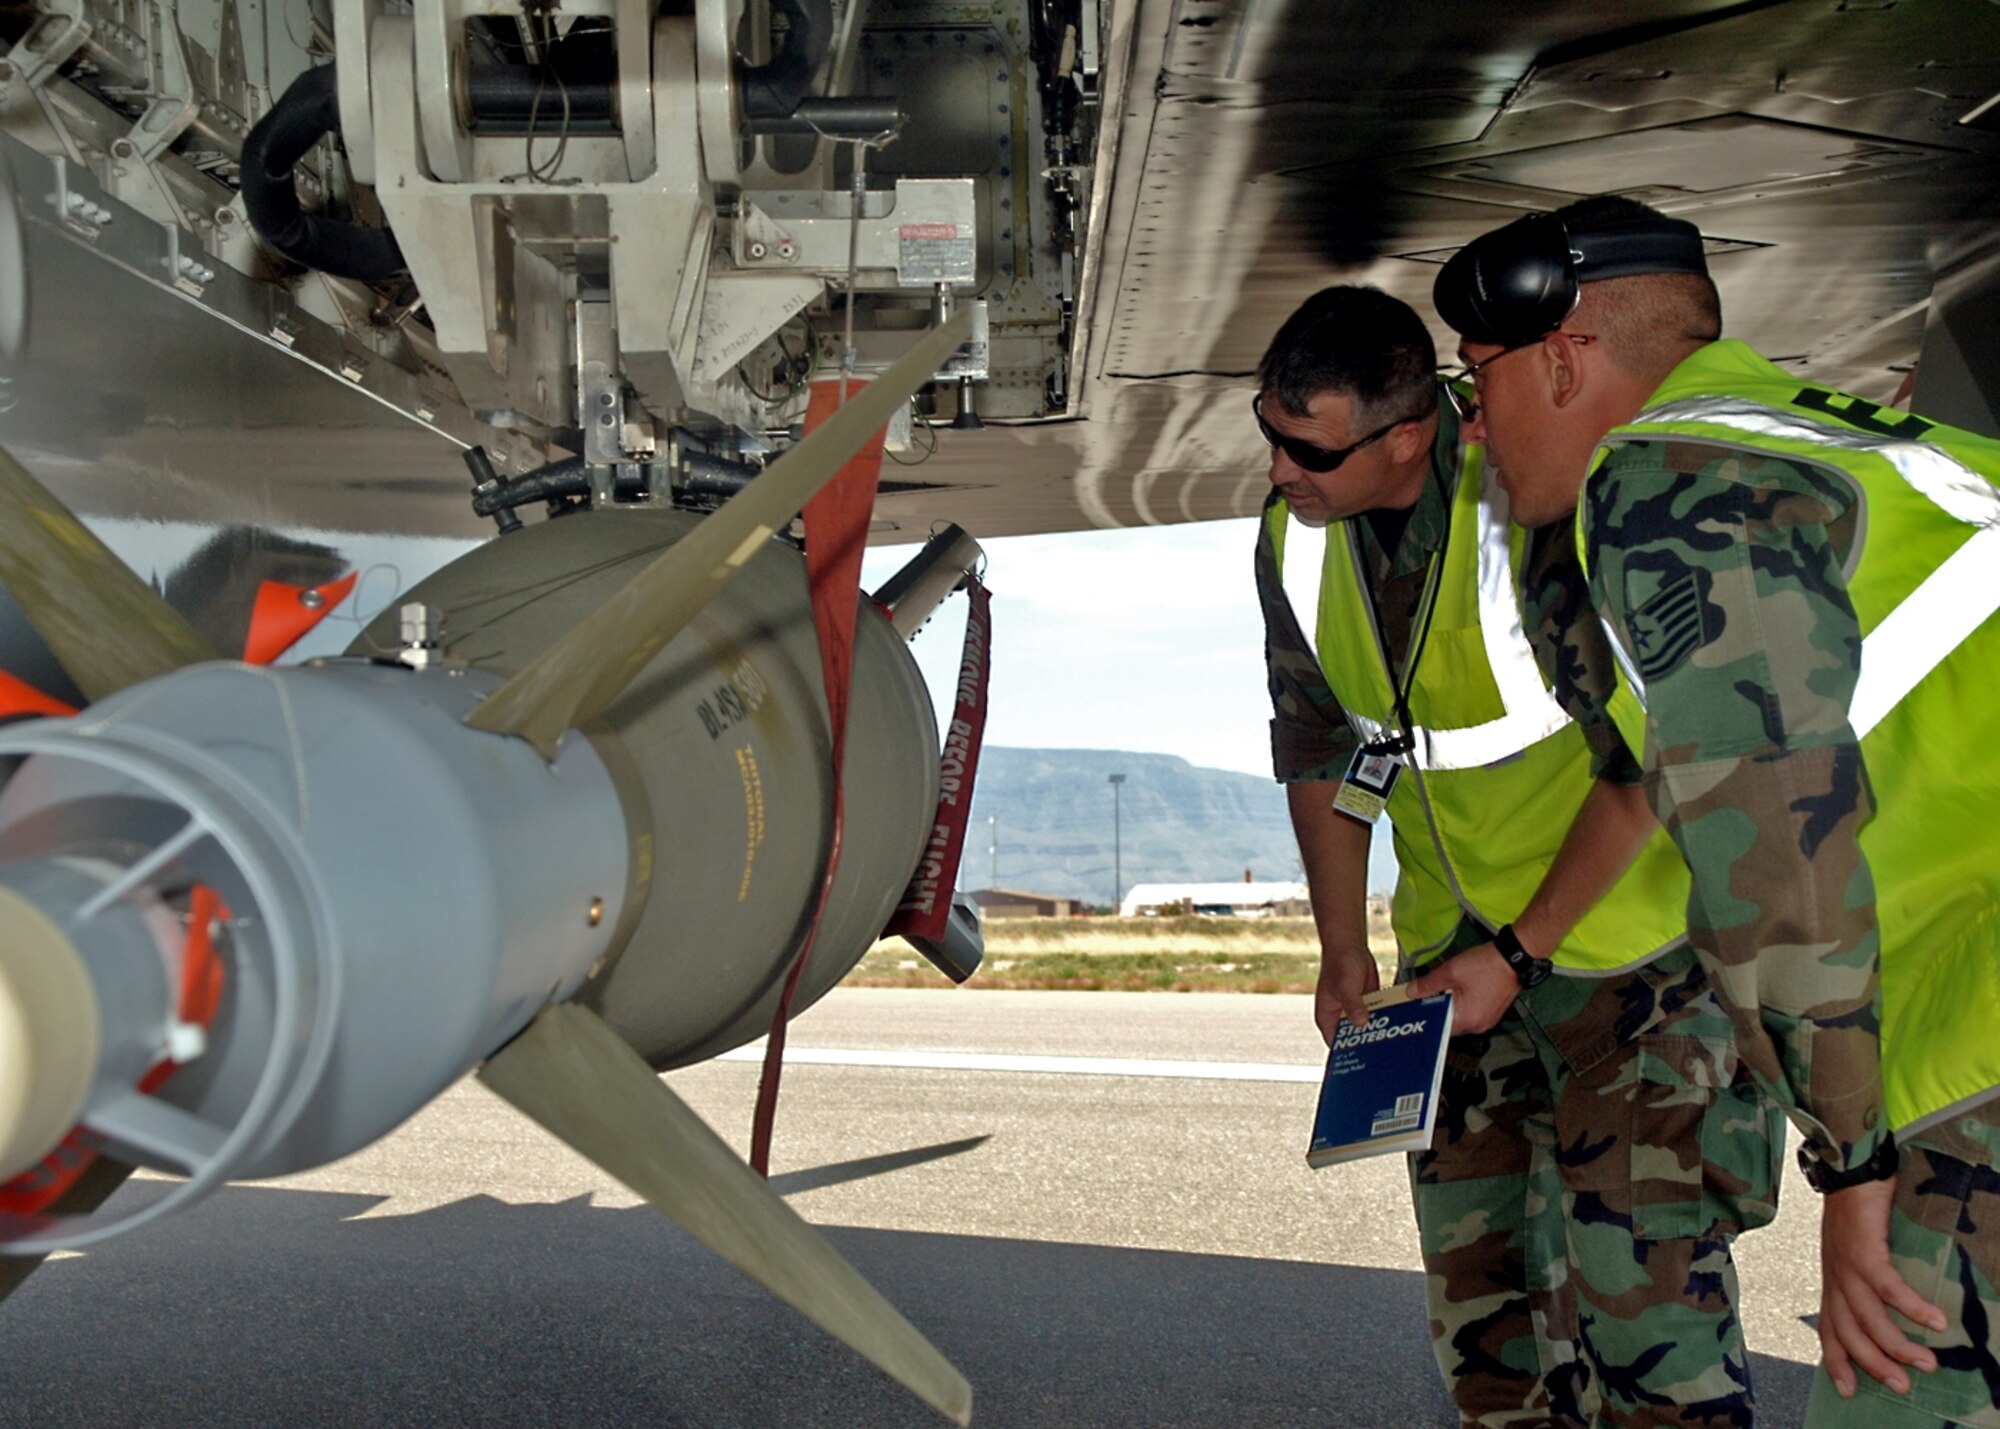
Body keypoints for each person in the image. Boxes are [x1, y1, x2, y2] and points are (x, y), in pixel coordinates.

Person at [1433, 195, 2000, 1428]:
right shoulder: (1821, 441)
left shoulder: (1666, 487)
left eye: (1476, 377)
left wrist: (1850, 1171)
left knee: (1898, 1394)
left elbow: (1776, 855)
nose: (1470, 425)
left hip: (1977, 1036)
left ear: (1563, 356)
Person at [1255, 285, 1783, 1427]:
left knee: (1649, 1334)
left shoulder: (1542, 498)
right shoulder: (1289, 541)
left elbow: (1643, 759)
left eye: (1306, 447)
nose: (1279, 467)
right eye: (1269, 431)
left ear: (1405, 435)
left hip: (1623, 959)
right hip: (1449, 966)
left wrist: (1521, 949)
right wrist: (1339, 946)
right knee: (1486, 1333)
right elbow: (1314, 742)